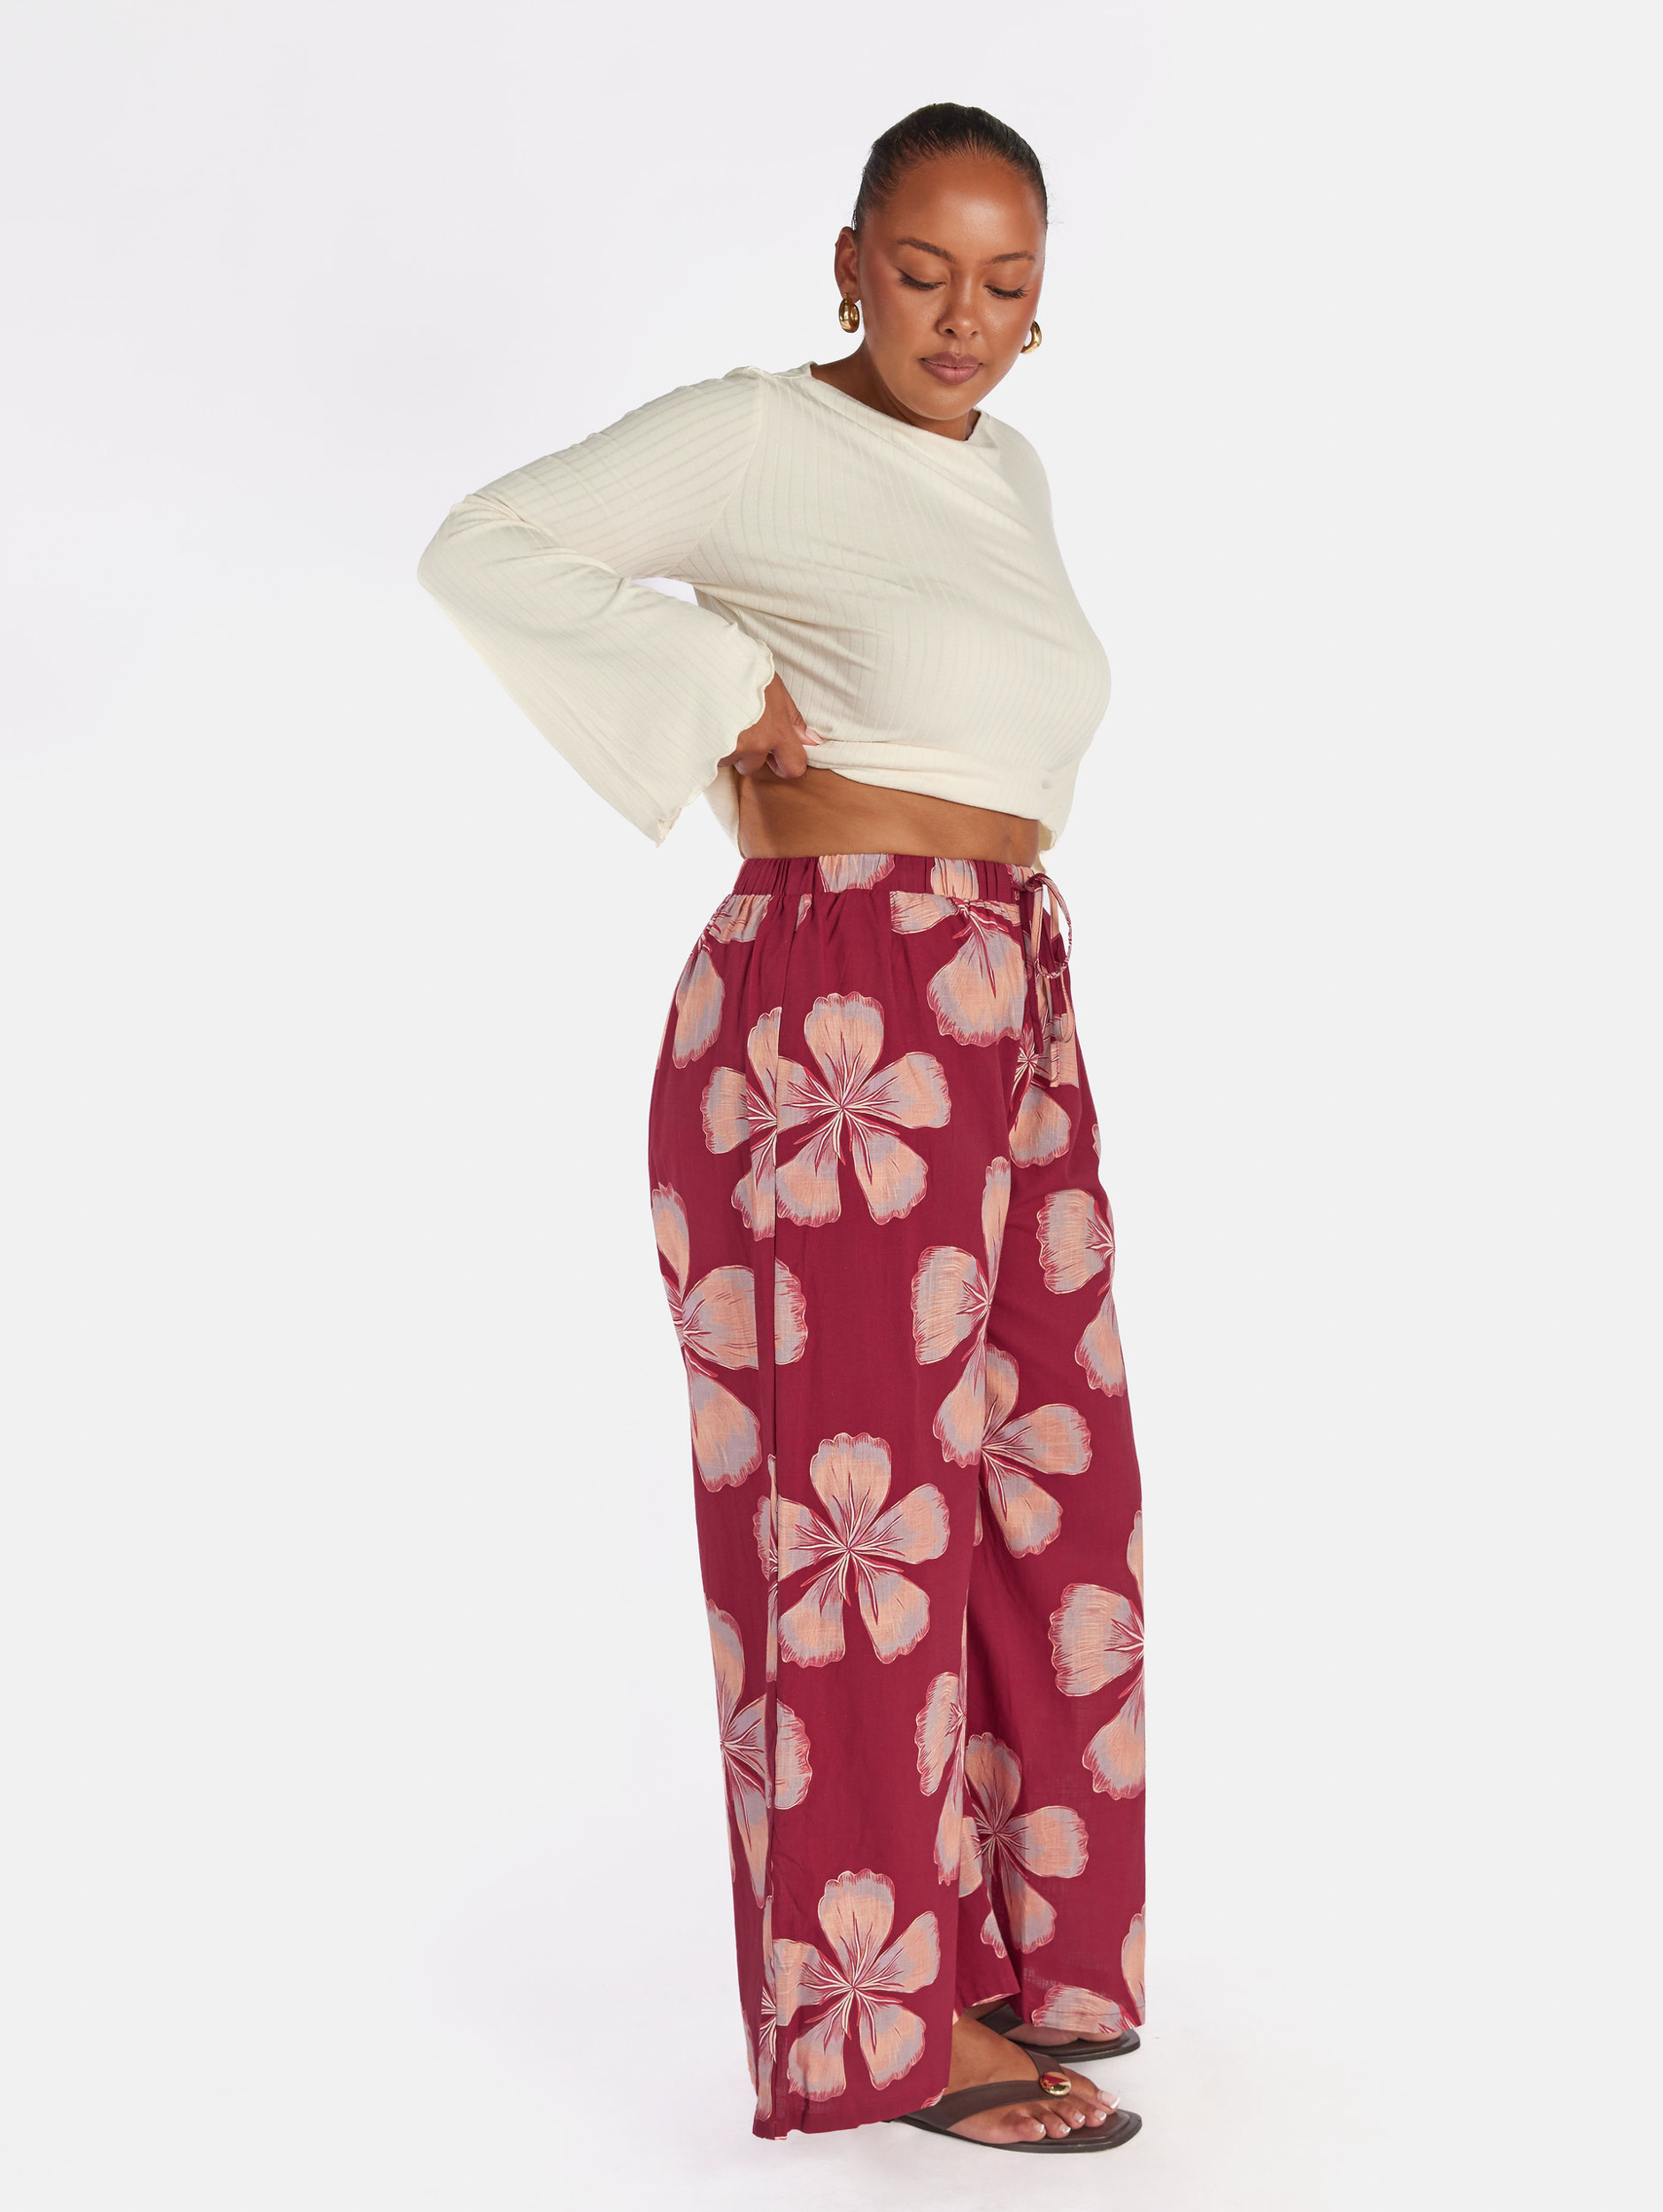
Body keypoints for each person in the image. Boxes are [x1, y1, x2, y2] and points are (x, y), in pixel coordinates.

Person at [417, 102, 1145, 2154]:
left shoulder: (1010, 472)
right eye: (922, 272)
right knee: (858, 1522)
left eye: (1005, 283)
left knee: (1044, 1488)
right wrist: (713, 680)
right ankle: (878, 2028)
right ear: (847, 262)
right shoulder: (760, 433)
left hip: (1004, 995)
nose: (962, 318)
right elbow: (485, 542)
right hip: (837, 1011)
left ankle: (1004, 1948)